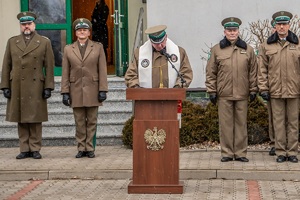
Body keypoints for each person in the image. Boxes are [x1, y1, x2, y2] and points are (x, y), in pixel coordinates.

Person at [0, 11, 55, 159]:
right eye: (23, 24)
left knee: (36, 118)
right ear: (20, 25)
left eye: (29, 24)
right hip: (17, 84)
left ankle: (35, 148)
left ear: (34, 25)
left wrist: (48, 86)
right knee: (21, 118)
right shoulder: (12, 42)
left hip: (36, 85)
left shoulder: (44, 42)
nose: (26, 26)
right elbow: (6, 65)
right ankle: (24, 148)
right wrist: (5, 86)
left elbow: (49, 66)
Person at [205, 17, 258, 162]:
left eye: (234, 30)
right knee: (226, 125)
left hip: (242, 93)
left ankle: (241, 153)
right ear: (225, 31)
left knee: (241, 125)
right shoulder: (216, 50)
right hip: (224, 94)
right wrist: (212, 91)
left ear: (238, 31)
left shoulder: (248, 49)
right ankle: (227, 153)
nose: (232, 33)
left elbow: (253, 71)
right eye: (229, 30)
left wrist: (253, 90)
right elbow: (211, 72)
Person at [61, 18, 108, 158]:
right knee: (79, 121)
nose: (82, 32)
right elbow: (65, 72)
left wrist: (103, 89)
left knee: (92, 120)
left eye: (85, 30)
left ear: (89, 32)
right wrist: (65, 91)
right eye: (79, 30)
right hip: (75, 89)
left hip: (93, 89)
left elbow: (103, 70)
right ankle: (81, 147)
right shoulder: (69, 49)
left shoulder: (98, 47)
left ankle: (90, 147)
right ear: (76, 32)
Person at [258, 11, 300, 163]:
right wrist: (263, 88)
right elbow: (261, 68)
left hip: (294, 90)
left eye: (284, 24)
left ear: (289, 25)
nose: (282, 27)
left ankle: (293, 152)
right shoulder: (266, 45)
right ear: (275, 27)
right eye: (279, 24)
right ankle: (280, 151)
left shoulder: (297, 44)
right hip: (275, 90)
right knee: (278, 122)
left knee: (293, 122)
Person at [125, 25, 193, 88]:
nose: (160, 46)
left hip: (173, 97)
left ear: (166, 37)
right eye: (156, 43)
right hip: (146, 98)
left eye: (162, 42)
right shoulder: (139, 54)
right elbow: (130, 76)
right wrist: (138, 90)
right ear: (150, 41)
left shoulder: (179, 52)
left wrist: (177, 88)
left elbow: (186, 73)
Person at [267, 19, 276, 156]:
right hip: (272, 88)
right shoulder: (267, 46)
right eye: (275, 27)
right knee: (274, 119)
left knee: (291, 120)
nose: (277, 29)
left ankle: (290, 145)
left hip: (292, 89)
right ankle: (275, 143)